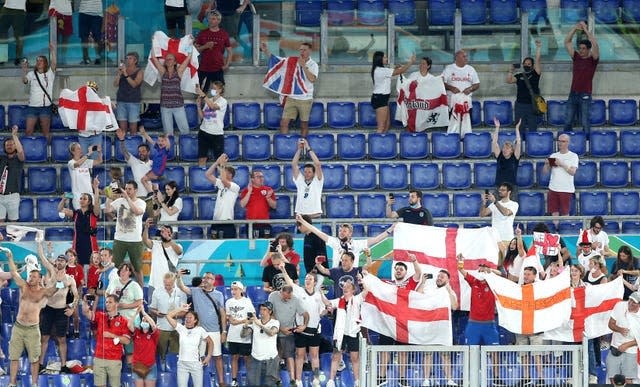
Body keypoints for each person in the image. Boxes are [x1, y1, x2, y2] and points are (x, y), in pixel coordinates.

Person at [4, 247, 57, 387]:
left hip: (33, 330)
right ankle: (12, 383)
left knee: (34, 359)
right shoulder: (24, 286)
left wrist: (55, 270)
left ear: (40, 278)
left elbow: (55, 287)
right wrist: (10, 258)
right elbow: (14, 273)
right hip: (18, 327)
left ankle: (34, 384)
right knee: (14, 357)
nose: (31, 278)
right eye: (30, 276)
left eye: (34, 276)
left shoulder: (44, 292)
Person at [176, 270, 228, 387]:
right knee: (199, 357)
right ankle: (199, 382)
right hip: (198, 331)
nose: (205, 279)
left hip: (214, 330)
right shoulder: (196, 291)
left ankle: (221, 382)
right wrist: (179, 277)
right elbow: (182, 287)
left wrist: (224, 332)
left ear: (213, 281)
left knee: (218, 357)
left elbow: (223, 314)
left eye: (209, 278)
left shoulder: (219, 295)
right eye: (204, 278)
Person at [376, 254, 422, 387]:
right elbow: (372, 283)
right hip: (387, 322)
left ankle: (402, 378)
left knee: (403, 352)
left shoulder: (409, 283)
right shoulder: (386, 283)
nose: (399, 270)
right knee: (385, 350)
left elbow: (419, 273)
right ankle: (381, 376)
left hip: (403, 324)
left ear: (406, 272)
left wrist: (414, 260)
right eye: (397, 268)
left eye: (401, 269)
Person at [36, 242, 79, 374]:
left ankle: (63, 365)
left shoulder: (70, 280)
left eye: (62, 260)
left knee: (61, 339)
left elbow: (76, 296)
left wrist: (72, 309)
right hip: (49, 309)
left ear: (66, 263)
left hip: (61, 311)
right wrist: (39, 242)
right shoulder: (51, 271)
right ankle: (41, 364)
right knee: (44, 337)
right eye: (58, 260)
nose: (59, 262)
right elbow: (42, 256)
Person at [260, 41, 318, 137]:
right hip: (292, 97)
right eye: (301, 50)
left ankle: (302, 147)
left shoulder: (313, 65)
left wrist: (303, 65)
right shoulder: (293, 61)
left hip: (305, 98)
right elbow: (278, 61)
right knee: (284, 123)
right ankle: (284, 147)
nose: (302, 52)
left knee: (303, 125)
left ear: (310, 51)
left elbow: (312, 79)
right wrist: (266, 51)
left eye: (304, 50)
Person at [279, 267, 324, 387]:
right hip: (301, 329)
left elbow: (322, 312)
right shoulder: (299, 291)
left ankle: (316, 379)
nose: (307, 280)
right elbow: (289, 281)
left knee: (314, 356)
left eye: (310, 279)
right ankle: (298, 381)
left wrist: (328, 310)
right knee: (299, 355)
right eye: (306, 278)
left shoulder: (319, 296)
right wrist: (284, 270)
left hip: (314, 330)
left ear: (314, 282)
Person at [296, 213, 393, 268]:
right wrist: (302, 221)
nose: (341, 232)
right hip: (337, 276)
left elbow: (376, 239)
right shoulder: (335, 242)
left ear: (350, 233)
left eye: (344, 231)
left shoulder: (358, 244)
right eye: (340, 230)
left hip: (352, 276)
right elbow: (316, 231)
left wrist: (391, 229)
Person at [417, 270, 459, 387]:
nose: (439, 278)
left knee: (445, 355)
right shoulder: (430, 289)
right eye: (438, 276)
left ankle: (449, 380)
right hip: (429, 326)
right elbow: (416, 296)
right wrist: (423, 282)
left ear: (447, 280)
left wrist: (449, 289)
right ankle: (426, 380)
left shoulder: (449, 292)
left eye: (442, 277)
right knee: (428, 354)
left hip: (443, 327)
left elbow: (454, 306)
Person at [324, 279, 368, 387]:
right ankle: (331, 381)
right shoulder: (339, 301)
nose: (345, 288)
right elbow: (327, 303)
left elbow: (366, 290)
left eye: (348, 287)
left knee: (354, 358)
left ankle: (357, 381)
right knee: (336, 356)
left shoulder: (357, 299)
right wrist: (320, 293)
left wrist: (363, 280)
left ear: (353, 290)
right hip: (340, 333)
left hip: (353, 332)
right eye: (344, 287)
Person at [83, 293, 131, 387]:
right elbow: (87, 313)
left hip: (114, 359)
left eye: (110, 302)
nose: (107, 304)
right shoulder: (101, 316)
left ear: (116, 304)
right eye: (106, 302)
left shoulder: (123, 321)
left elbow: (127, 340)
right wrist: (85, 301)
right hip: (99, 358)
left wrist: (112, 335)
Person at [105, 180, 147, 285]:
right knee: (115, 267)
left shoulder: (141, 202)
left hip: (135, 240)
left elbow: (137, 212)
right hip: (119, 239)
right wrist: (109, 196)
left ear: (136, 190)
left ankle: (141, 293)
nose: (127, 191)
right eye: (126, 188)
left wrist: (126, 198)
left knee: (137, 268)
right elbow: (107, 210)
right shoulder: (119, 201)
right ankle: (116, 289)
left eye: (129, 189)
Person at [563, 21, 599, 138]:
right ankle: (567, 144)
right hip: (573, 93)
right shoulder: (576, 57)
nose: (581, 50)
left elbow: (595, 44)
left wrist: (585, 30)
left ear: (588, 49)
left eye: (583, 48)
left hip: (585, 95)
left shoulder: (593, 60)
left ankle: (587, 145)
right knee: (568, 121)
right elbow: (567, 42)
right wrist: (575, 28)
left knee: (585, 122)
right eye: (580, 48)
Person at [268, 285, 309, 384]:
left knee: (290, 355)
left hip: (289, 333)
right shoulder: (272, 296)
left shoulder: (295, 300)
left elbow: (306, 314)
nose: (288, 299)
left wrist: (304, 325)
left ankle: (292, 380)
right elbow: (270, 314)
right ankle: (277, 380)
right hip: (274, 332)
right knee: (276, 356)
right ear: (281, 292)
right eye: (285, 297)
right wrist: (280, 328)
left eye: (289, 297)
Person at [167, 304, 215, 387]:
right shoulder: (181, 328)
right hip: (182, 364)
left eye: (190, 318)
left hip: (196, 364)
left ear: (195, 320)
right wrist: (180, 308)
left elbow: (211, 342)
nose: (187, 319)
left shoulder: (200, 330)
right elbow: (168, 316)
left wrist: (208, 357)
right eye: (186, 318)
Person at [106, 262, 144, 367]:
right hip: (115, 320)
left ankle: (130, 370)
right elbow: (107, 293)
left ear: (130, 272)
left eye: (126, 270)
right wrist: (110, 302)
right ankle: (116, 369)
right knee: (114, 345)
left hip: (130, 321)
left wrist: (124, 306)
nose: (123, 272)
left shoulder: (135, 285)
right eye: (121, 269)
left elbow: (140, 302)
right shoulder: (114, 282)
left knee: (129, 346)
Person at [58, 178, 101, 266]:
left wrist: (96, 188)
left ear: (89, 202)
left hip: (90, 244)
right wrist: (63, 200)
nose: (81, 200)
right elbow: (60, 209)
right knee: (77, 266)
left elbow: (96, 202)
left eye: (84, 199)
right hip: (77, 243)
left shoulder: (93, 213)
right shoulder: (76, 213)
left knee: (92, 266)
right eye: (81, 198)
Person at [514, 267, 545, 386]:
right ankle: (526, 378)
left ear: (534, 276)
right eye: (524, 274)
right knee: (523, 354)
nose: (526, 276)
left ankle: (541, 378)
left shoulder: (539, 289)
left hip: (536, 327)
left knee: (537, 354)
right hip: (521, 326)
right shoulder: (518, 289)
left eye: (528, 274)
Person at [370, 51, 415, 133]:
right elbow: (401, 70)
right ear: (379, 59)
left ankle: (382, 142)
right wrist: (411, 62)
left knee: (387, 124)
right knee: (381, 127)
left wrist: (395, 68)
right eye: (384, 57)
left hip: (382, 98)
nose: (386, 59)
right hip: (380, 98)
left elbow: (389, 72)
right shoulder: (381, 70)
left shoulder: (381, 70)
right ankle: (376, 144)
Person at [149, 272, 187, 365]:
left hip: (176, 328)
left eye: (169, 284)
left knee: (175, 355)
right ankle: (162, 373)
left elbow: (185, 311)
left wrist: (174, 316)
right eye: (165, 284)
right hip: (161, 327)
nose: (167, 286)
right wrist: (156, 312)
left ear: (174, 282)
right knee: (160, 354)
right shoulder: (157, 292)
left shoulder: (181, 292)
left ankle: (173, 373)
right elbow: (152, 308)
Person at [150, 52, 192, 135]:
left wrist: (190, 43)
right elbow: (154, 58)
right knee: (168, 133)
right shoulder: (163, 72)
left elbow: (188, 58)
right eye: (167, 59)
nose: (168, 60)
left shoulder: (179, 72)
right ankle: (170, 147)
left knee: (185, 131)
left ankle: (186, 147)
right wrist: (153, 41)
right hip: (165, 107)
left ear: (175, 62)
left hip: (178, 106)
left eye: (170, 59)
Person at [21, 43, 57, 140]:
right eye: (37, 61)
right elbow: (24, 80)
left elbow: (54, 64)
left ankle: (46, 153)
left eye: (41, 60)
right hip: (32, 107)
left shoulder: (49, 74)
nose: (38, 62)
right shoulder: (31, 74)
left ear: (45, 63)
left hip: (45, 108)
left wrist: (52, 51)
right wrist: (24, 70)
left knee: (45, 133)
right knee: (28, 131)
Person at [506, 40, 542, 135]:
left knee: (532, 128)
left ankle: (532, 148)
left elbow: (538, 60)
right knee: (519, 128)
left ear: (532, 65)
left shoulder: (535, 74)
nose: (526, 65)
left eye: (529, 64)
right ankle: (520, 147)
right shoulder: (519, 75)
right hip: (520, 105)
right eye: (525, 64)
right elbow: (509, 81)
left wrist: (538, 48)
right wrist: (511, 70)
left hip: (532, 105)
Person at [224, 281, 255, 387]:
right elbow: (230, 319)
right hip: (232, 335)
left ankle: (250, 379)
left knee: (247, 358)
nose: (233, 291)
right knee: (234, 357)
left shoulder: (247, 301)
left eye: (236, 289)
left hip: (244, 335)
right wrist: (242, 320)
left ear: (241, 290)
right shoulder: (228, 302)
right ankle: (234, 380)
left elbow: (251, 317)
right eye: (232, 289)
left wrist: (240, 322)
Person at [542, 133, 579, 219]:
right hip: (553, 188)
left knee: (565, 213)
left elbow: (572, 172)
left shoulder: (573, 156)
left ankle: (565, 230)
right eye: (559, 141)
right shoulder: (554, 156)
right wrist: (546, 164)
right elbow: (544, 172)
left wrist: (562, 164)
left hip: (566, 189)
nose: (560, 143)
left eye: (562, 141)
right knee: (554, 213)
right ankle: (556, 230)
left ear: (568, 142)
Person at [607, 292, 640, 385]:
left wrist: (627, 345)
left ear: (639, 305)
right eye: (630, 300)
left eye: (634, 302)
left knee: (628, 380)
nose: (630, 303)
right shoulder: (620, 306)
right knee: (613, 378)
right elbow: (610, 324)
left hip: (631, 351)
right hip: (615, 347)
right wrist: (619, 329)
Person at [245, 301, 280, 387]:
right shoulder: (255, 322)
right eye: (261, 309)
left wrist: (260, 325)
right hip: (255, 358)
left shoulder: (275, 322)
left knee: (270, 384)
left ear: (270, 311)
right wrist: (245, 326)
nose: (262, 312)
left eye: (264, 309)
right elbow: (244, 335)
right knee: (252, 383)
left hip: (271, 359)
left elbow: (272, 333)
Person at [143, 219, 183, 295]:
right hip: (154, 283)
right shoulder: (155, 244)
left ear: (171, 234)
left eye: (167, 232)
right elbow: (145, 240)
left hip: (170, 284)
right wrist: (146, 228)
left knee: (171, 306)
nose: (165, 233)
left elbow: (179, 252)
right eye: (163, 231)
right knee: (153, 307)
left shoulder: (176, 245)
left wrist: (168, 238)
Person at [205, 154, 240, 239]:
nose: (221, 173)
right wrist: (217, 162)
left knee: (229, 248)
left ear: (230, 175)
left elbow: (224, 180)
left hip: (227, 222)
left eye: (224, 171)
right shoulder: (220, 183)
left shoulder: (235, 187)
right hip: (216, 221)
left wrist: (223, 165)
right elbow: (207, 174)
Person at [195, 9, 232, 90]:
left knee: (219, 92)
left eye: (213, 19)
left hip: (218, 68)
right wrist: (205, 46)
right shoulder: (202, 33)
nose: (211, 21)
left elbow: (229, 51)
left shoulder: (224, 34)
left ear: (219, 20)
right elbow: (196, 51)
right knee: (200, 92)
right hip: (203, 68)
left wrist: (227, 65)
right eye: (209, 19)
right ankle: (200, 102)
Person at [196, 81, 228, 166]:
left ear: (220, 90)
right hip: (204, 132)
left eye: (214, 89)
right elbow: (203, 116)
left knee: (220, 160)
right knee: (202, 158)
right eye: (212, 88)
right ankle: (201, 178)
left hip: (216, 134)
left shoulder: (223, 101)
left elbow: (213, 107)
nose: (212, 90)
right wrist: (198, 106)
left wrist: (203, 95)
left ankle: (221, 178)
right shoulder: (208, 100)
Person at [127, 305, 159, 387]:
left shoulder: (154, 334)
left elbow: (154, 326)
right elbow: (129, 325)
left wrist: (144, 313)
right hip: (138, 365)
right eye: (143, 320)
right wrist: (136, 312)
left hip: (150, 366)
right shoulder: (137, 332)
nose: (145, 321)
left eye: (147, 320)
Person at [240, 169, 277, 238]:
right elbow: (242, 204)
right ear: (252, 179)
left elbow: (274, 206)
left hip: (265, 223)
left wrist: (268, 198)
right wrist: (249, 192)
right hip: (251, 224)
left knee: (267, 245)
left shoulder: (268, 190)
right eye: (258, 177)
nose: (261, 178)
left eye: (262, 176)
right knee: (253, 245)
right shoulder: (246, 190)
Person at [480, 182, 519, 246]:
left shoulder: (514, 204)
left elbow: (506, 213)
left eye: (503, 190)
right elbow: (482, 214)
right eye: (500, 190)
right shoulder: (494, 204)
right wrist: (484, 203)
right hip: (495, 238)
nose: (500, 191)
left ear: (509, 192)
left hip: (507, 238)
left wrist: (495, 202)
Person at [114, 52, 144, 135]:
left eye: (130, 58)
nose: (128, 60)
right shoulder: (123, 70)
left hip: (133, 101)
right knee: (122, 127)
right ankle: (124, 145)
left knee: (133, 127)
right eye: (127, 58)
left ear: (135, 61)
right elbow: (115, 84)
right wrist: (119, 74)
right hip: (121, 101)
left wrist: (126, 74)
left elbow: (134, 84)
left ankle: (133, 144)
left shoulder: (139, 71)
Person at [292, 138, 323, 218]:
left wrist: (308, 148)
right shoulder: (300, 180)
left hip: (315, 216)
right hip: (301, 216)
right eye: (305, 172)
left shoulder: (318, 181)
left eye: (309, 172)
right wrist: (299, 149)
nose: (307, 174)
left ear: (313, 173)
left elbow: (317, 164)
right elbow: (294, 164)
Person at [443, 50, 480, 116]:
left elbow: (477, 84)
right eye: (464, 57)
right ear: (457, 58)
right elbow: (442, 83)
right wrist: (451, 88)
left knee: (466, 125)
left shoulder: (471, 69)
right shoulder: (449, 68)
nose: (466, 58)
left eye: (466, 56)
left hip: (466, 104)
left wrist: (470, 88)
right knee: (452, 125)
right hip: (452, 104)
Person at [67, 142, 102, 210]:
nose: (81, 150)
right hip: (78, 196)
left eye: (80, 148)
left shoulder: (86, 161)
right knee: (81, 218)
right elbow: (77, 164)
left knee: (91, 217)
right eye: (78, 148)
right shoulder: (71, 162)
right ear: (73, 152)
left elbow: (99, 161)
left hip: (89, 194)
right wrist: (88, 154)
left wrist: (99, 152)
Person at [0, 126, 25, 222]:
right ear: (4, 147)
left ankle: (12, 238)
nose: (9, 146)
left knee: (13, 223)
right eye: (7, 145)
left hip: (13, 195)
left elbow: (21, 151)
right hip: (0, 195)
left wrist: (14, 136)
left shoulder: (19, 159)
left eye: (11, 145)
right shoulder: (1, 158)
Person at [118, 131, 153, 198]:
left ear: (148, 152)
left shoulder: (153, 164)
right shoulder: (134, 162)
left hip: (151, 197)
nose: (141, 153)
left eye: (143, 151)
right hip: (138, 197)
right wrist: (122, 140)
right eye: (139, 152)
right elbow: (124, 151)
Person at [492, 117, 521, 196]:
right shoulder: (500, 156)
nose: (505, 149)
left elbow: (518, 143)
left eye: (507, 148)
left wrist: (517, 129)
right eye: (504, 147)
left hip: (512, 188)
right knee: (496, 208)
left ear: (512, 151)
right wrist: (497, 127)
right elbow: (494, 143)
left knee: (512, 208)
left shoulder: (515, 158)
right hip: (499, 187)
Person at [138, 127, 171, 197]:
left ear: (165, 142)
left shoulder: (165, 150)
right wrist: (144, 133)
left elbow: (168, 144)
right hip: (155, 170)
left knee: (143, 180)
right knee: (155, 188)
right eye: (159, 141)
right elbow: (151, 140)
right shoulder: (159, 148)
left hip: (157, 171)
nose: (160, 142)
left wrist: (166, 138)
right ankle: (158, 201)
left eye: (162, 141)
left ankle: (151, 194)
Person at [0, 0, 27, 65]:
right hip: (11, 9)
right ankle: (4, 58)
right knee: (4, 34)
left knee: (17, 36)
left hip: (16, 9)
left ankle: (4, 58)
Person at [78, 0, 104, 65]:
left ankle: (98, 57)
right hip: (84, 11)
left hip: (96, 12)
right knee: (84, 36)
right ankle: (86, 58)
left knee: (97, 37)